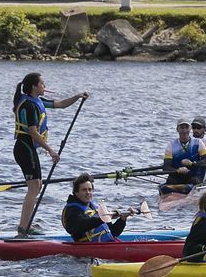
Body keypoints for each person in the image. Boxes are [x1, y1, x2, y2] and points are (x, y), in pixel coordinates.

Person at [12, 72, 87, 236]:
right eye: (42, 84)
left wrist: (77, 97)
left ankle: (25, 226)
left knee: (36, 186)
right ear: (34, 86)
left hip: (28, 149)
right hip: (24, 148)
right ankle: (23, 229)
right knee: (34, 188)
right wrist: (51, 150)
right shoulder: (28, 105)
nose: (45, 86)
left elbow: (60, 104)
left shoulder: (37, 101)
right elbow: (32, 132)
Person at [62, 173, 134, 242]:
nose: (88, 192)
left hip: (105, 244)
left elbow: (113, 232)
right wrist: (101, 219)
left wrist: (122, 219)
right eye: (84, 190)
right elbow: (75, 227)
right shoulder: (72, 210)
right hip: (86, 247)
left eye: (90, 189)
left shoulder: (94, 207)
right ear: (76, 192)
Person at [160, 119, 206, 197]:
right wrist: (177, 170)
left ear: (190, 129)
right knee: (170, 180)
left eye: (186, 127)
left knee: (194, 181)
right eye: (181, 128)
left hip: (194, 176)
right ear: (177, 129)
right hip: (176, 177)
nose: (184, 131)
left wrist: (192, 163)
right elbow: (166, 167)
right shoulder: (171, 145)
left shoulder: (198, 143)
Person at [190, 115, 206, 181]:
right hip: (192, 166)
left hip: (203, 167)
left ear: (204, 129)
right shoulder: (188, 140)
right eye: (194, 127)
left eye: (198, 128)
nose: (195, 130)